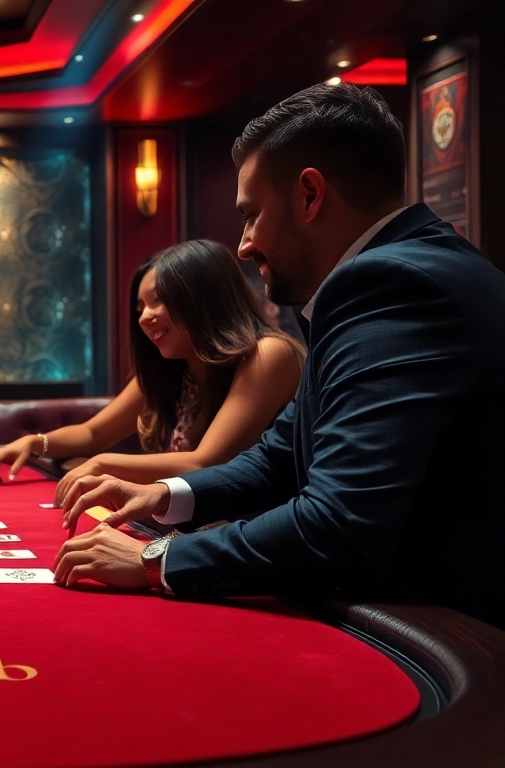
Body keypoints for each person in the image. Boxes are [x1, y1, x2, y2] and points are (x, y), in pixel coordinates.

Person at [56, 83, 505, 629]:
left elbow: (339, 523)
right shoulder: (400, 270)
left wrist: (159, 559)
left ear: (310, 195)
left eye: (251, 214)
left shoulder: (390, 284)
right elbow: (281, 454)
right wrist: (163, 494)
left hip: (453, 642)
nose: (243, 244)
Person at [0, 240, 304, 505]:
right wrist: (35, 442)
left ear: (205, 299)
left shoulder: (269, 354)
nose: (144, 318)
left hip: (259, 544)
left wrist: (102, 464)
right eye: (140, 308)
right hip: (196, 527)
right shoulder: (174, 364)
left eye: (159, 301)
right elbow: (94, 433)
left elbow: (205, 463)